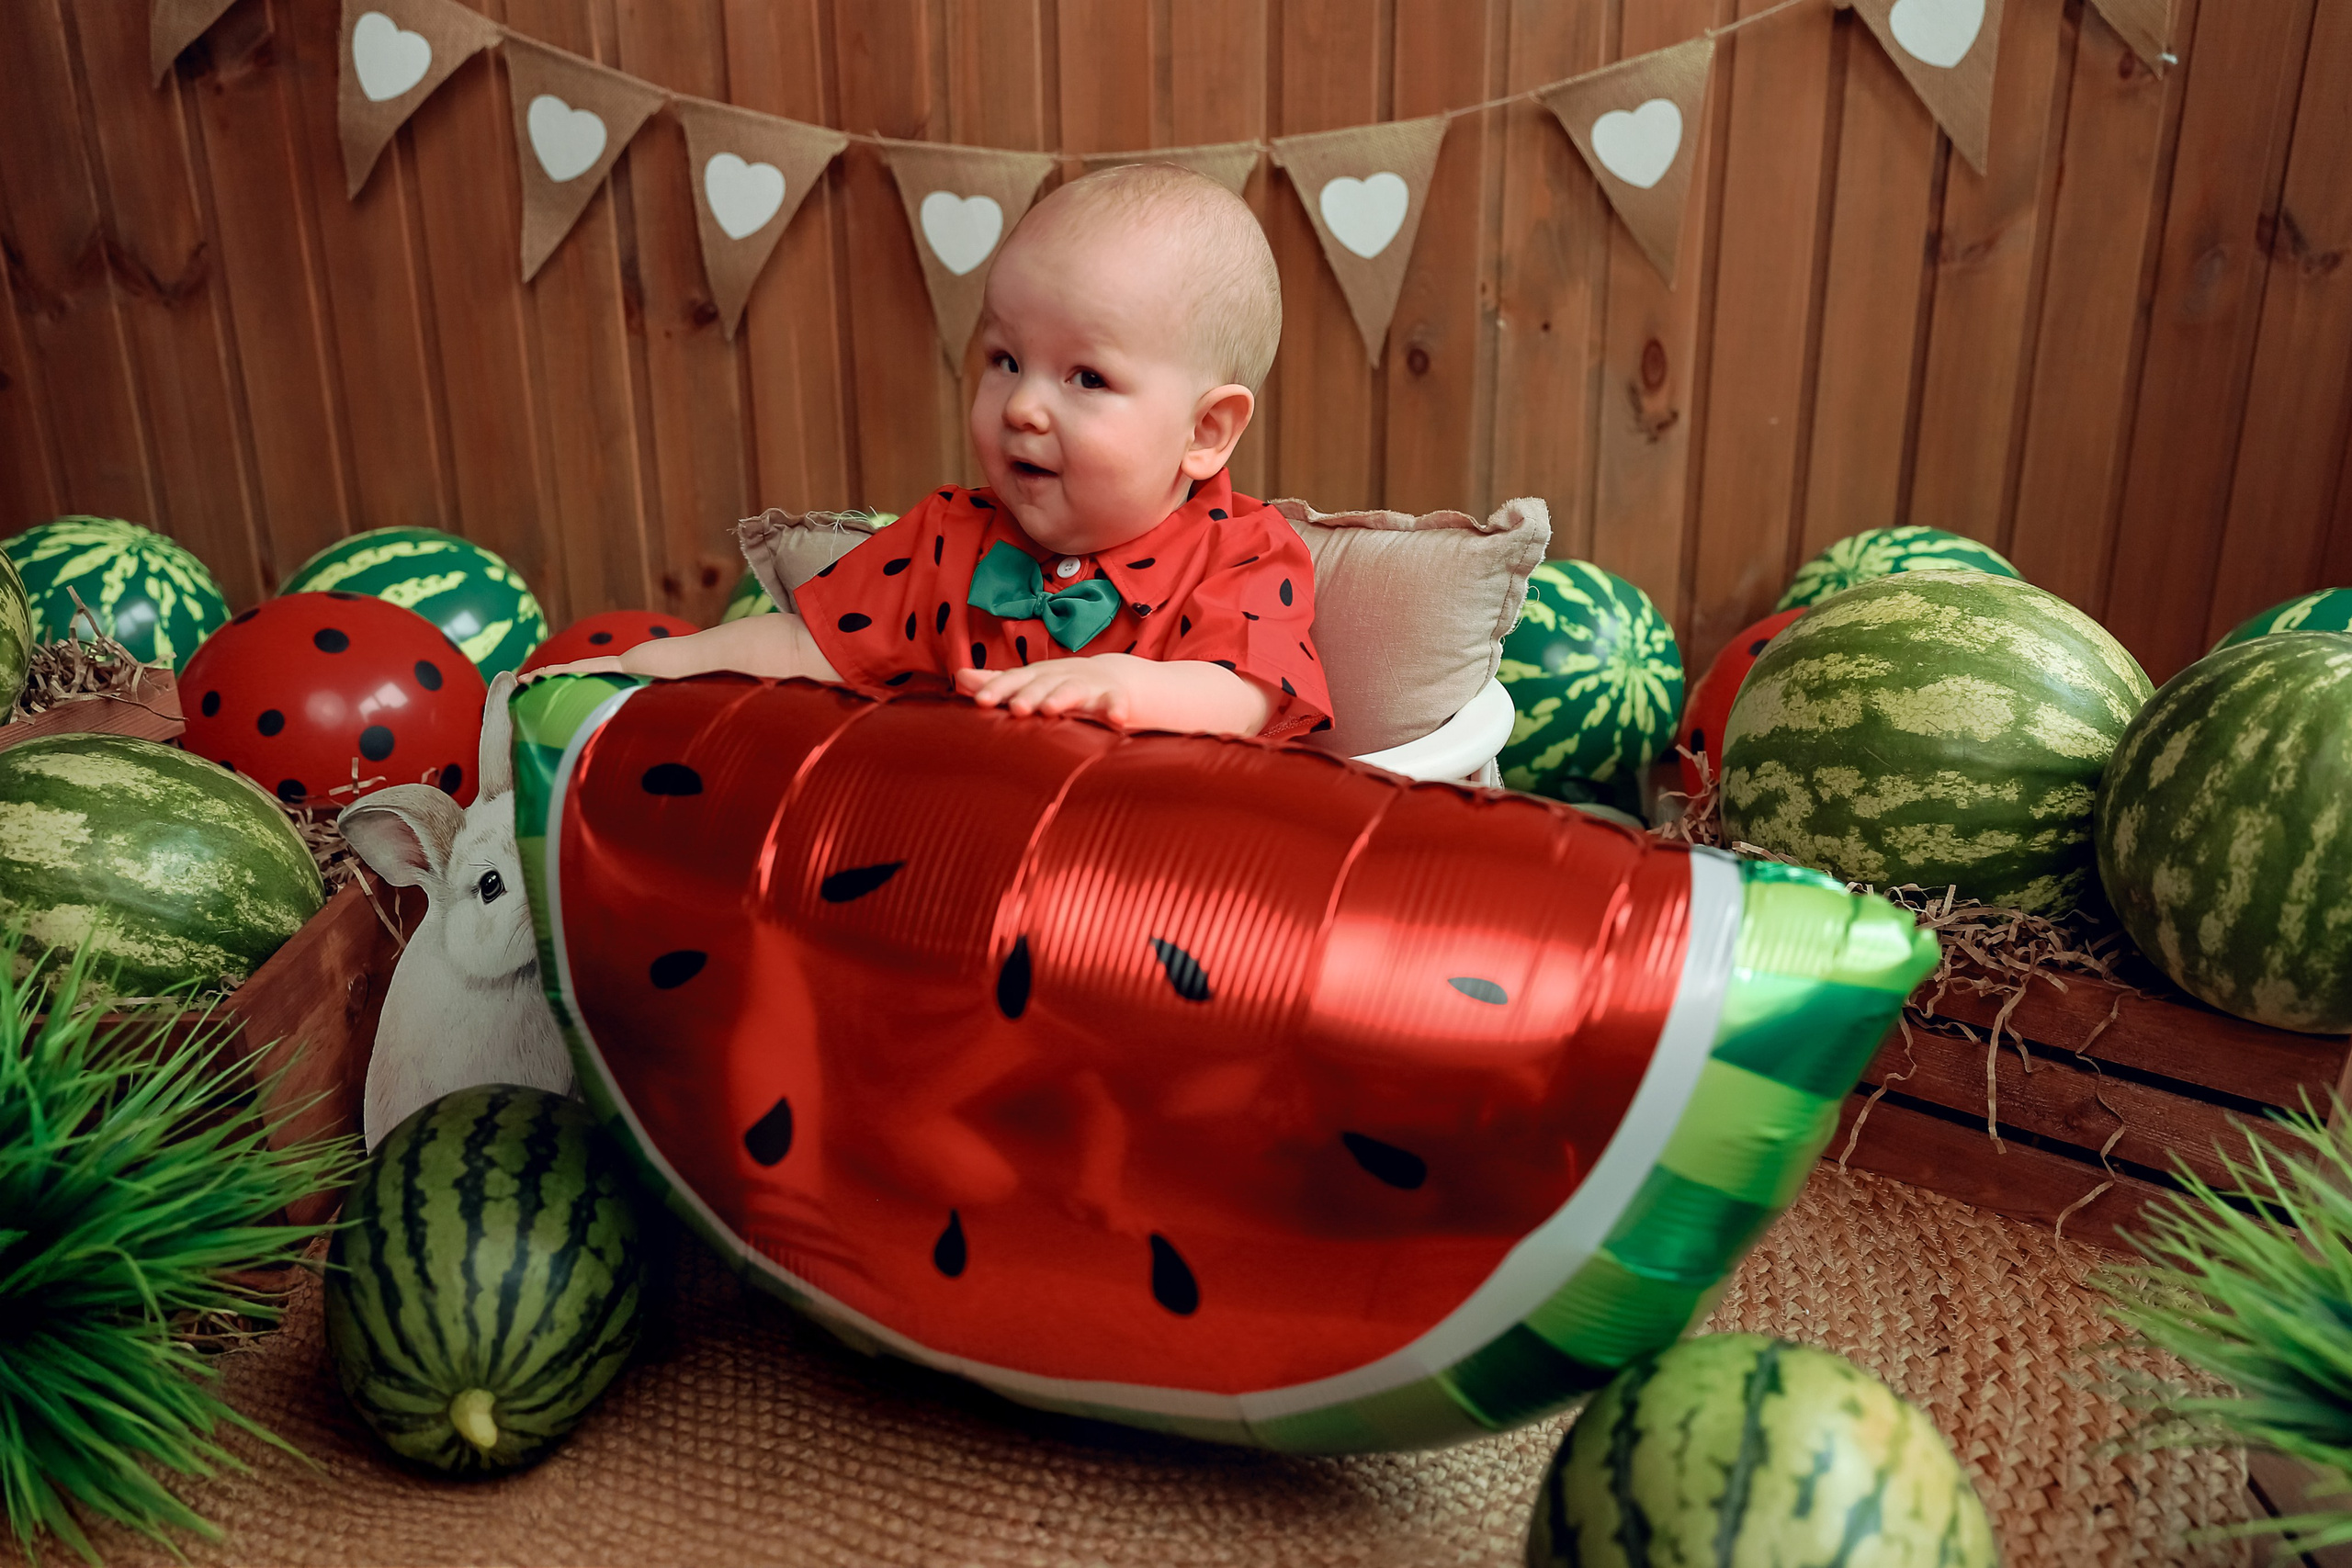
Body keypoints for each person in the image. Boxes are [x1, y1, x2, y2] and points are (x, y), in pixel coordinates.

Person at [535, 162, 1332, 740]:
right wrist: (647, 668)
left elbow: (1244, 695)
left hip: (1152, 881)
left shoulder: (1246, 553)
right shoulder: (947, 541)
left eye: (1087, 377)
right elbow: (803, 646)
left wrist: (1125, 686)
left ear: (1205, 432)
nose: (1021, 405)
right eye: (1005, 360)